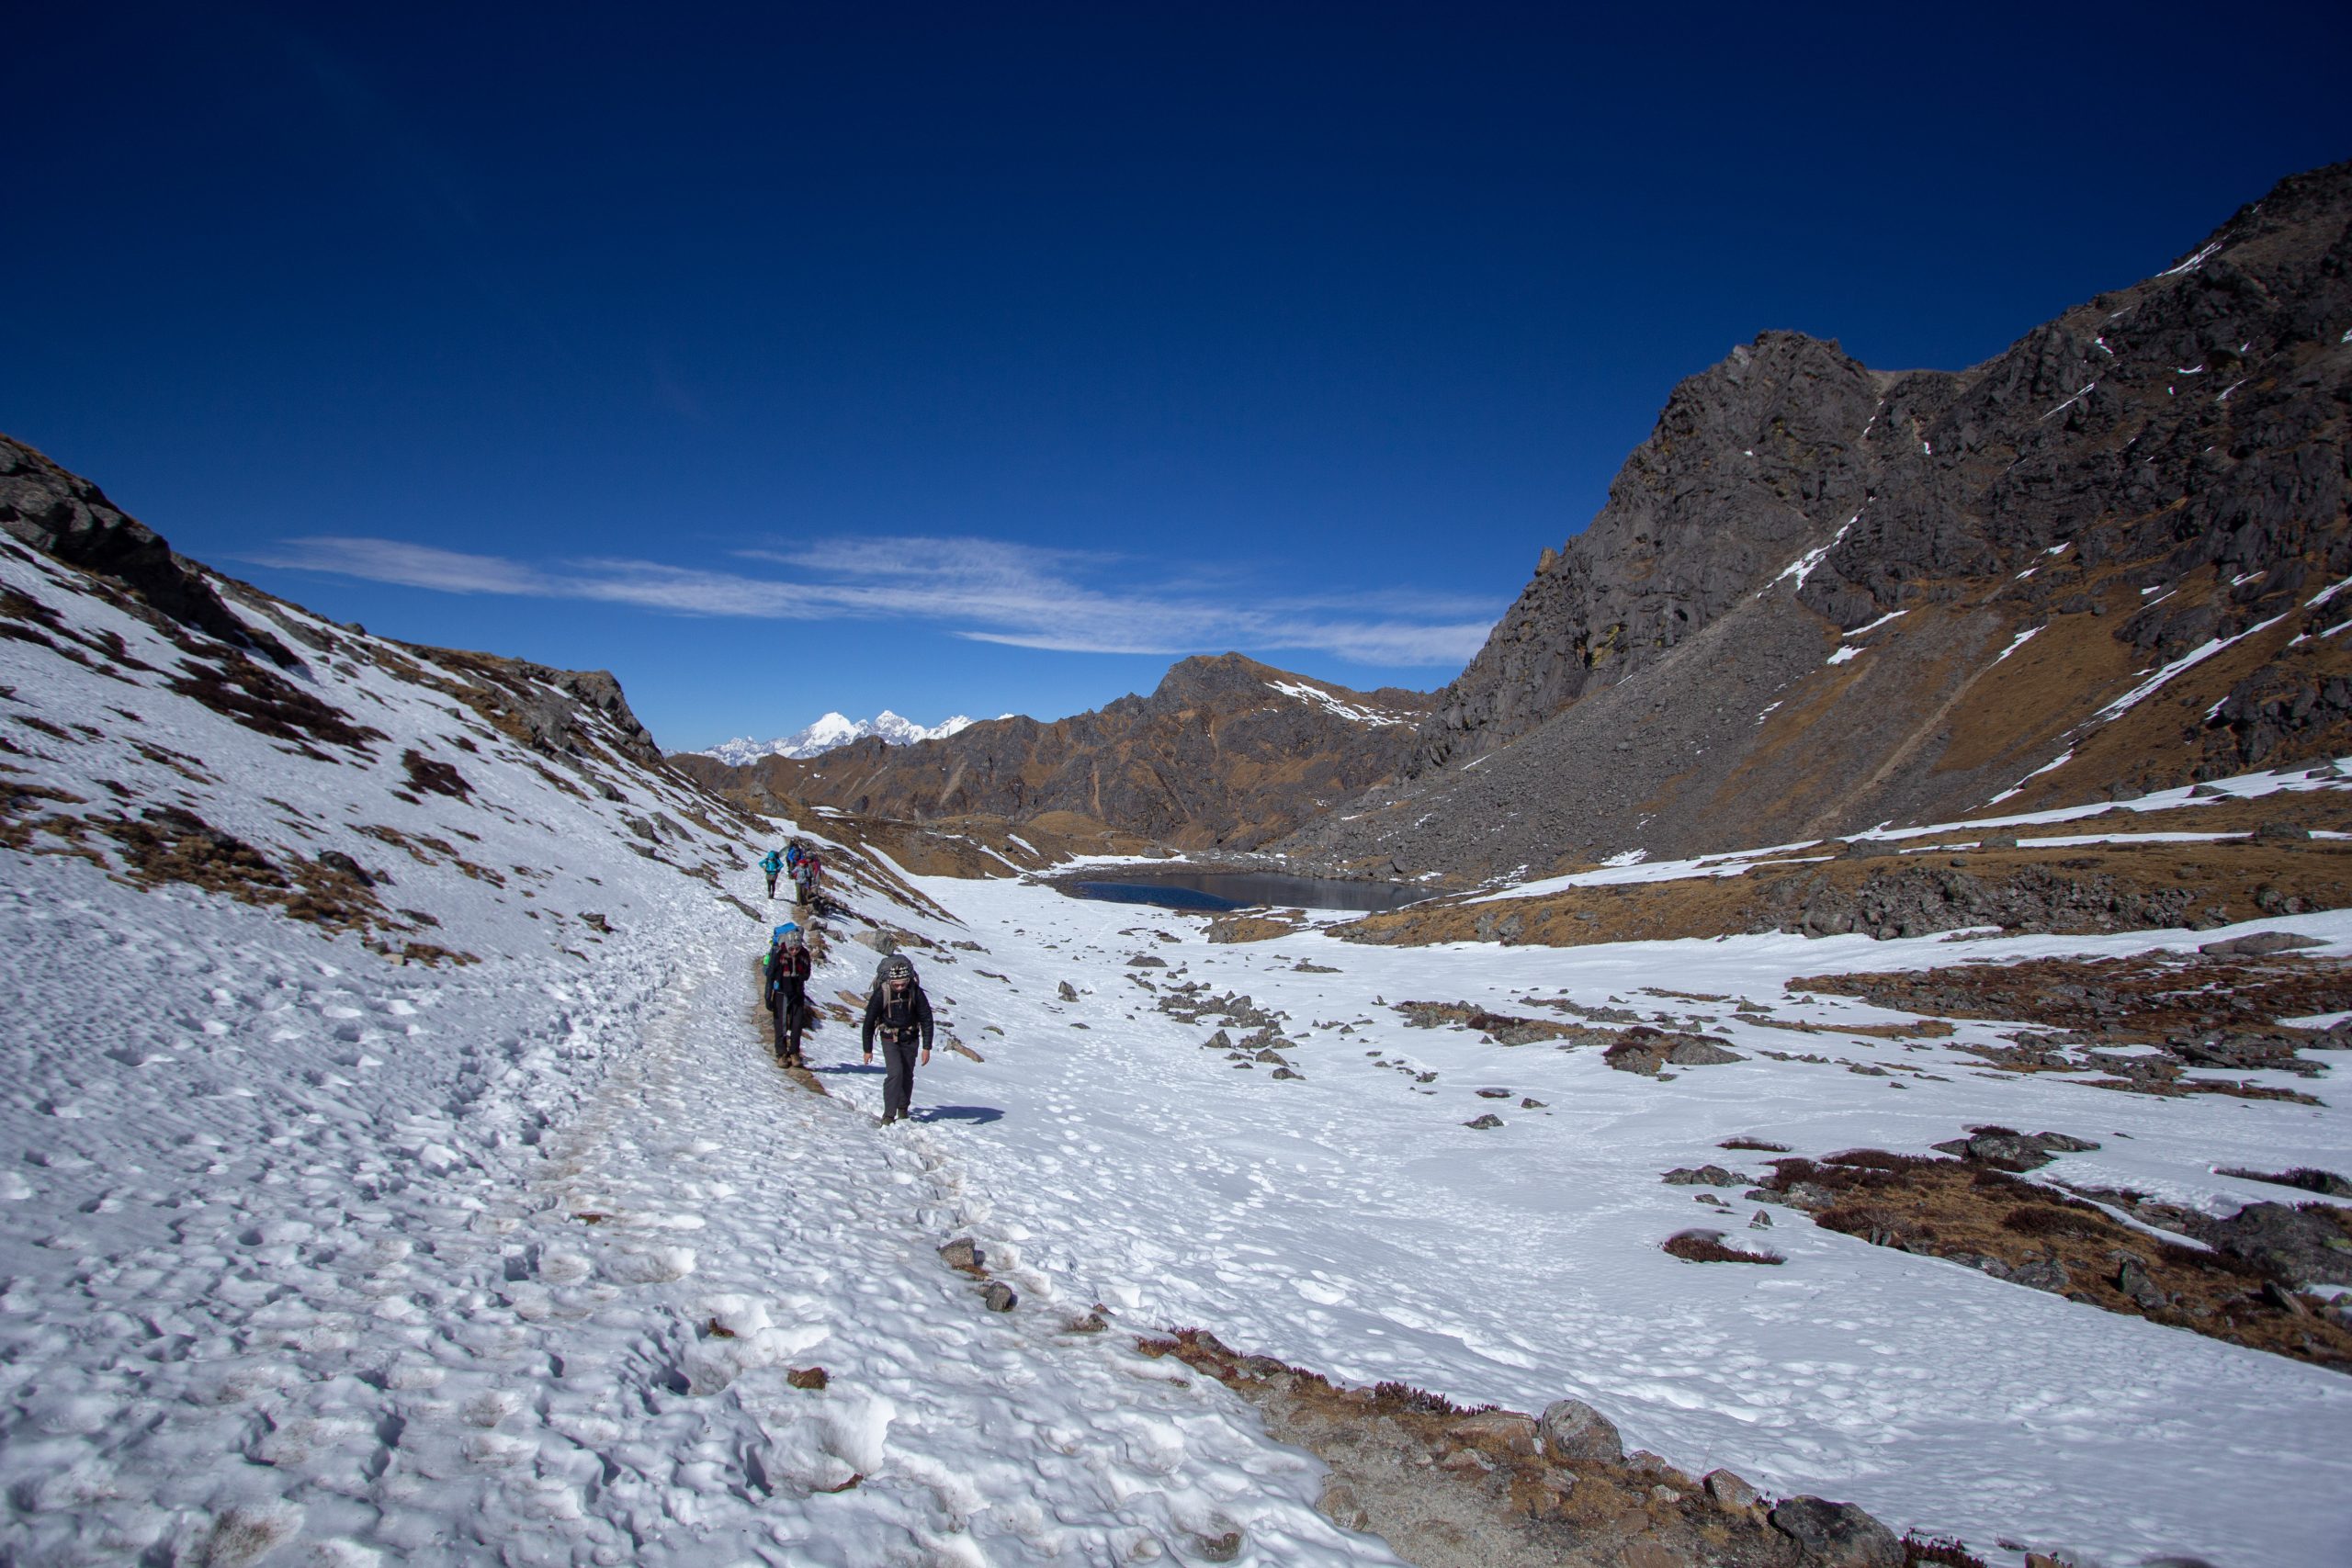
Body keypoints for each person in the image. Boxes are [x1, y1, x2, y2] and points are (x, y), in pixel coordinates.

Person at [860, 953, 933, 1125]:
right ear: (890, 982)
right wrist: (867, 1050)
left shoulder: (915, 991)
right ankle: (889, 1115)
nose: (900, 987)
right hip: (889, 1037)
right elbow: (869, 1022)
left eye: (903, 984)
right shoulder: (882, 993)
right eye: (896, 985)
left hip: (911, 1037)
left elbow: (926, 1019)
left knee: (907, 1075)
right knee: (895, 1074)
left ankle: (903, 1109)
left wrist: (927, 1047)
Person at [763, 927, 814, 1066]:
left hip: (797, 992)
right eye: (792, 949)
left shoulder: (804, 955)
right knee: (781, 1024)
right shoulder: (779, 954)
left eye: (797, 949)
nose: (794, 952)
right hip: (781, 992)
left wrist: (800, 976)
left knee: (797, 1024)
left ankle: (794, 1052)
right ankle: (781, 1053)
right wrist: (768, 996)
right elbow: (770, 975)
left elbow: (808, 972)